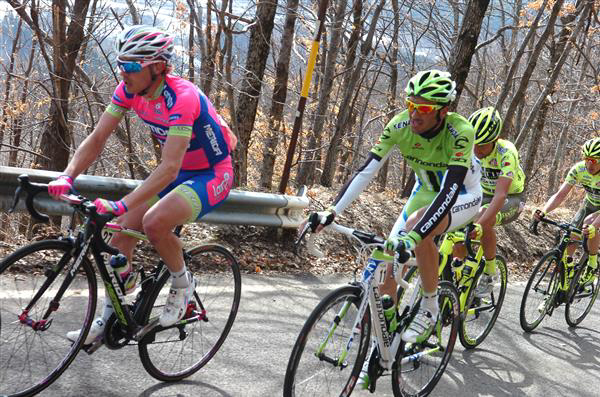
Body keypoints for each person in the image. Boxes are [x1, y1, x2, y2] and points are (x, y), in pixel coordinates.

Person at [47, 25, 236, 344]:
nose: (124, 73)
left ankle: (181, 284)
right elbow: (97, 140)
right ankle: (109, 320)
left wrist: (123, 203)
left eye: (132, 66)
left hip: (213, 174)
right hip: (178, 174)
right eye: (122, 65)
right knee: (120, 234)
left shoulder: (183, 97)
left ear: (158, 67)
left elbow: (168, 166)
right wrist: (68, 174)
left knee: (153, 222)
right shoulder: (127, 91)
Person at [307, 70, 482, 387]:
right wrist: (332, 210)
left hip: (462, 195)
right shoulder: (400, 124)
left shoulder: (460, 131)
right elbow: (366, 171)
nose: (415, 113)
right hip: (423, 192)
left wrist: (415, 235)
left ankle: (429, 306)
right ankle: (382, 347)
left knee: (418, 231)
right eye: (412, 104)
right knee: (387, 259)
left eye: (425, 108)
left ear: (444, 111)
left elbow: (449, 190)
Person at [458, 107, 526, 297]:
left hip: (511, 198)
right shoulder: (468, 147)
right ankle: (457, 276)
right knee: (457, 232)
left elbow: (500, 195)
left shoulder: (506, 152)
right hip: (481, 193)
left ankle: (489, 272)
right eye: (474, 144)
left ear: (495, 140)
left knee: (483, 219)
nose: (476, 150)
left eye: (482, 145)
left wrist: (479, 225)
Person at [533, 137, 600, 280]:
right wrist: (543, 211)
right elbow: (560, 195)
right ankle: (568, 267)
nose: (589, 164)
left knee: (589, 224)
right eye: (586, 158)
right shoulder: (579, 169)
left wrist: (594, 226)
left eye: (594, 160)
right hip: (589, 204)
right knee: (573, 233)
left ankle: (592, 265)